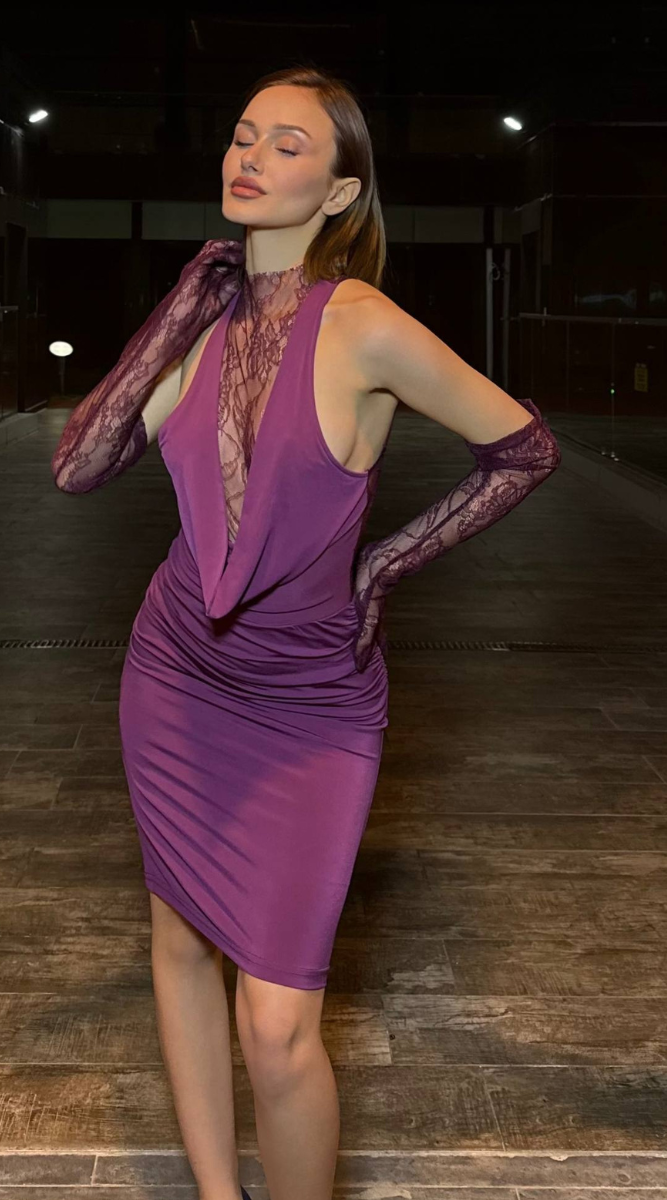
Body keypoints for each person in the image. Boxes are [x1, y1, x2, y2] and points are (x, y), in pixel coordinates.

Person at [51, 65, 561, 1200]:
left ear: (338, 192)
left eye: (288, 145)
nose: (251, 157)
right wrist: (180, 306)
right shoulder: (202, 323)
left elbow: (524, 449)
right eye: (243, 136)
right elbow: (79, 467)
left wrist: (387, 561)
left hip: (312, 706)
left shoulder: (364, 325)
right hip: (174, 676)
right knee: (180, 944)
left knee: (278, 1030)